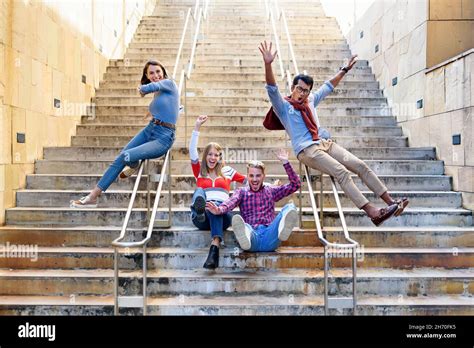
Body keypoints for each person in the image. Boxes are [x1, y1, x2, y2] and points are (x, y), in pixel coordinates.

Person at [258, 41, 408, 226]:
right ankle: (373, 213)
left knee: (360, 165)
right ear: (292, 88)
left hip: (324, 143)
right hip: (307, 150)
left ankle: (391, 203)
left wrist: (344, 69)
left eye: (306, 90)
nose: (302, 93)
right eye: (299, 89)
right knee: (342, 172)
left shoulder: (310, 100)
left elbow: (328, 86)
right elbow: (272, 88)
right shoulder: (284, 106)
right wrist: (268, 64)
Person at [70, 60, 179, 208]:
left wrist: (143, 88)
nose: (156, 75)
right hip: (150, 129)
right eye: (151, 73)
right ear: (147, 75)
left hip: (164, 138)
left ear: (163, 72)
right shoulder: (158, 94)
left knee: (126, 156)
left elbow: (153, 86)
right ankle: (93, 196)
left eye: (158, 71)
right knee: (120, 157)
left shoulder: (169, 84)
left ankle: (132, 161)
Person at [206, 149, 301, 252]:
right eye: (251, 176)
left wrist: (286, 163)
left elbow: (295, 185)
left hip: (269, 236)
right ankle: (244, 236)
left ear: (263, 176)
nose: (254, 179)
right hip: (252, 238)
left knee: (290, 207)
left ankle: (282, 229)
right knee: (244, 226)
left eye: (258, 176)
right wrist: (219, 209)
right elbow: (231, 202)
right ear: (247, 176)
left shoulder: (271, 190)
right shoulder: (242, 192)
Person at [190, 115, 247, 269]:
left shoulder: (227, 171)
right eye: (210, 154)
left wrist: (270, 185)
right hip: (201, 219)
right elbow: (192, 151)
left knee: (217, 208)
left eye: (216, 155)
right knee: (201, 192)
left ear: (220, 157)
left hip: (223, 215)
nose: (213, 157)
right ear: (205, 156)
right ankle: (200, 211)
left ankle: (214, 247)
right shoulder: (199, 172)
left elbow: (250, 182)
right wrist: (197, 127)